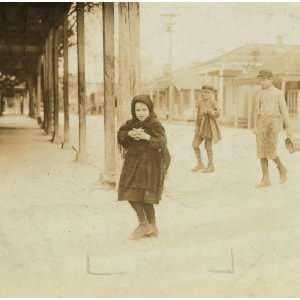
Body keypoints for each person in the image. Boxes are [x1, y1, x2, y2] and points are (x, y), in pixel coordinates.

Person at [117, 95, 171, 240]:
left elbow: (161, 142)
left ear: (150, 109)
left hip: (150, 165)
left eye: (144, 109)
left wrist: (146, 137)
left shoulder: (155, 125)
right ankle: (147, 225)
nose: (140, 113)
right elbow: (121, 135)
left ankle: (148, 225)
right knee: (129, 192)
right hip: (133, 164)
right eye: (137, 110)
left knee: (146, 197)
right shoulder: (131, 124)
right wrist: (130, 133)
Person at [254, 69, 293, 188]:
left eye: (264, 80)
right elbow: (256, 111)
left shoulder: (278, 93)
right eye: (260, 80)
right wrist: (256, 126)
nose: (262, 82)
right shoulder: (260, 93)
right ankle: (265, 178)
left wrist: (288, 129)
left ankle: (281, 168)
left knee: (270, 149)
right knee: (261, 150)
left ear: (271, 79)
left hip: (274, 122)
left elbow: (285, 111)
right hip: (262, 122)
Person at [192, 85, 221, 173]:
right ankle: (200, 163)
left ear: (212, 93)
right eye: (204, 92)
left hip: (208, 126)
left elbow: (218, 114)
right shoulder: (200, 102)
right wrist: (196, 126)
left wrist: (210, 111)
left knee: (208, 146)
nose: (206, 94)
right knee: (195, 145)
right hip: (200, 126)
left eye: (208, 92)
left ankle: (210, 165)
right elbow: (197, 115)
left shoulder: (213, 102)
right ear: (201, 92)